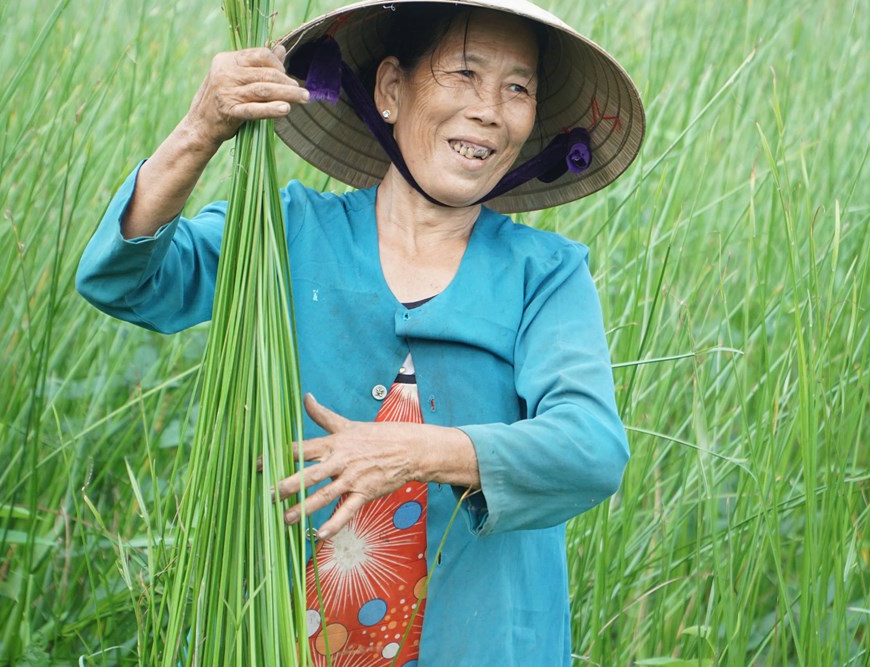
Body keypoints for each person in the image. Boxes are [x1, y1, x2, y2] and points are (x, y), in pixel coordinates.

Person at [76, 0, 644, 664]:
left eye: (517, 88)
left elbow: (591, 448)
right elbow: (126, 280)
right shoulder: (288, 232)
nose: (491, 108)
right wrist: (201, 130)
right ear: (392, 90)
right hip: (284, 637)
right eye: (464, 73)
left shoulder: (545, 275)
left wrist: (413, 452)